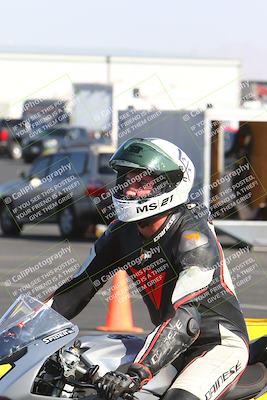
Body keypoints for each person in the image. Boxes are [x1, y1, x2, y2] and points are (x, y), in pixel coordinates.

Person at [50, 137, 249, 400]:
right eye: (126, 180)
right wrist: (20, 333)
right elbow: (77, 289)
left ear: (172, 183)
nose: (130, 191)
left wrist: (137, 373)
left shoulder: (193, 237)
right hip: (167, 344)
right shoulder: (121, 232)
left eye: (142, 183)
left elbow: (186, 319)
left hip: (216, 344)